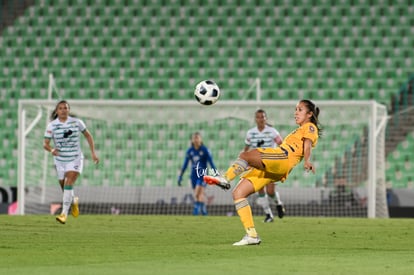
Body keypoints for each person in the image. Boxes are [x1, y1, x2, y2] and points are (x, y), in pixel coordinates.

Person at [204, 100, 322, 246]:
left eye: (300, 110)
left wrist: (307, 161)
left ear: (310, 114)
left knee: (245, 155)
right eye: (296, 109)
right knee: (238, 193)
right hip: (276, 167)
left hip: (283, 158)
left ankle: (225, 178)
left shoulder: (310, 127)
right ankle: (252, 235)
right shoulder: (298, 130)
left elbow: (308, 145)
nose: (295, 112)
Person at [43, 100, 99, 224]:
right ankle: (73, 200)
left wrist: (93, 153)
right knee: (64, 186)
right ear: (57, 111)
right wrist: (52, 150)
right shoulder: (52, 126)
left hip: (75, 158)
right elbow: (45, 144)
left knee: (68, 182)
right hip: (60, 160)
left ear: (69, 110)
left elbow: (88, 136)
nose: (63, 110)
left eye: (66, 108)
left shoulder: (77, 122)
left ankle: (63, 214)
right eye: (61, 108)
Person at [244, 109, 285, 223]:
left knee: (271, 191)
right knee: (260, 190)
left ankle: (278, 203)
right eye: (258, 117)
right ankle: (268, 215)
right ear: (255, 119)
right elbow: (246, 148)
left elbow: (282, 144)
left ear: (266, 118)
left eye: (262, 117)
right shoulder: (250, 133)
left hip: (271, 164)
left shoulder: (272, 131)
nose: (260, 119)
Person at [178, 132, 217, 216]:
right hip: (193, 175)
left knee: (197, 192)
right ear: (192, 140)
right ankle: (203, 210)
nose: (196, 140)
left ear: (201, 140)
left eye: (197, 138)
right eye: (194, 138)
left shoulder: (205, 150)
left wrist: (216, 174)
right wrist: (180, 176)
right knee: (199, 195)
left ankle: (196, 210)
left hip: (203, 174)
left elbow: (211, 163)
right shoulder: (190, 151)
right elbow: (185, 164)